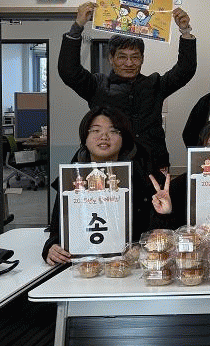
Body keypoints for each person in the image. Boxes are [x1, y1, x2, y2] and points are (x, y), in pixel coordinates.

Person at [58, 1, 197, 170]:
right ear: (111, 59)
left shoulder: (155, 84)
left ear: (142, 59)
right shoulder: (97, 86)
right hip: (111, 166)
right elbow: (69, 71)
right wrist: (78, 26)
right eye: (122, 57)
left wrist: (185, 31)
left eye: (135, 57)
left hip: (152, 165)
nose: (129, 63)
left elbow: (185, 70)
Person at [42, 107, 175, 265]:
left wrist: (164, 214)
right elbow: (57, 228)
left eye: (113, 131)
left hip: (131, 265)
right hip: (85, 267)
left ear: (123, 138)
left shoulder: (143, 176)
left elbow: (159, 236)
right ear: (85, 138)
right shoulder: (72, 177)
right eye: (95, 130)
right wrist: (51, 247)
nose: (104, 137)